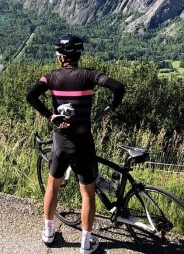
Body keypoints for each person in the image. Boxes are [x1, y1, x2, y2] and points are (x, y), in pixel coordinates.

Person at [26, 34, 126, 254]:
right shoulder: (90, 75)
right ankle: (85, 242)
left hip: (60, 143)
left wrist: (51, 117)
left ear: (62, 57)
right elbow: (119, 88)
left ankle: (49, 232)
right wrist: (108, 109)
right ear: (78, 55)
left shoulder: (50, 77)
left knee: (53, 187)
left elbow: (31, 96)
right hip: (83, 143)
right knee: (87, 194)